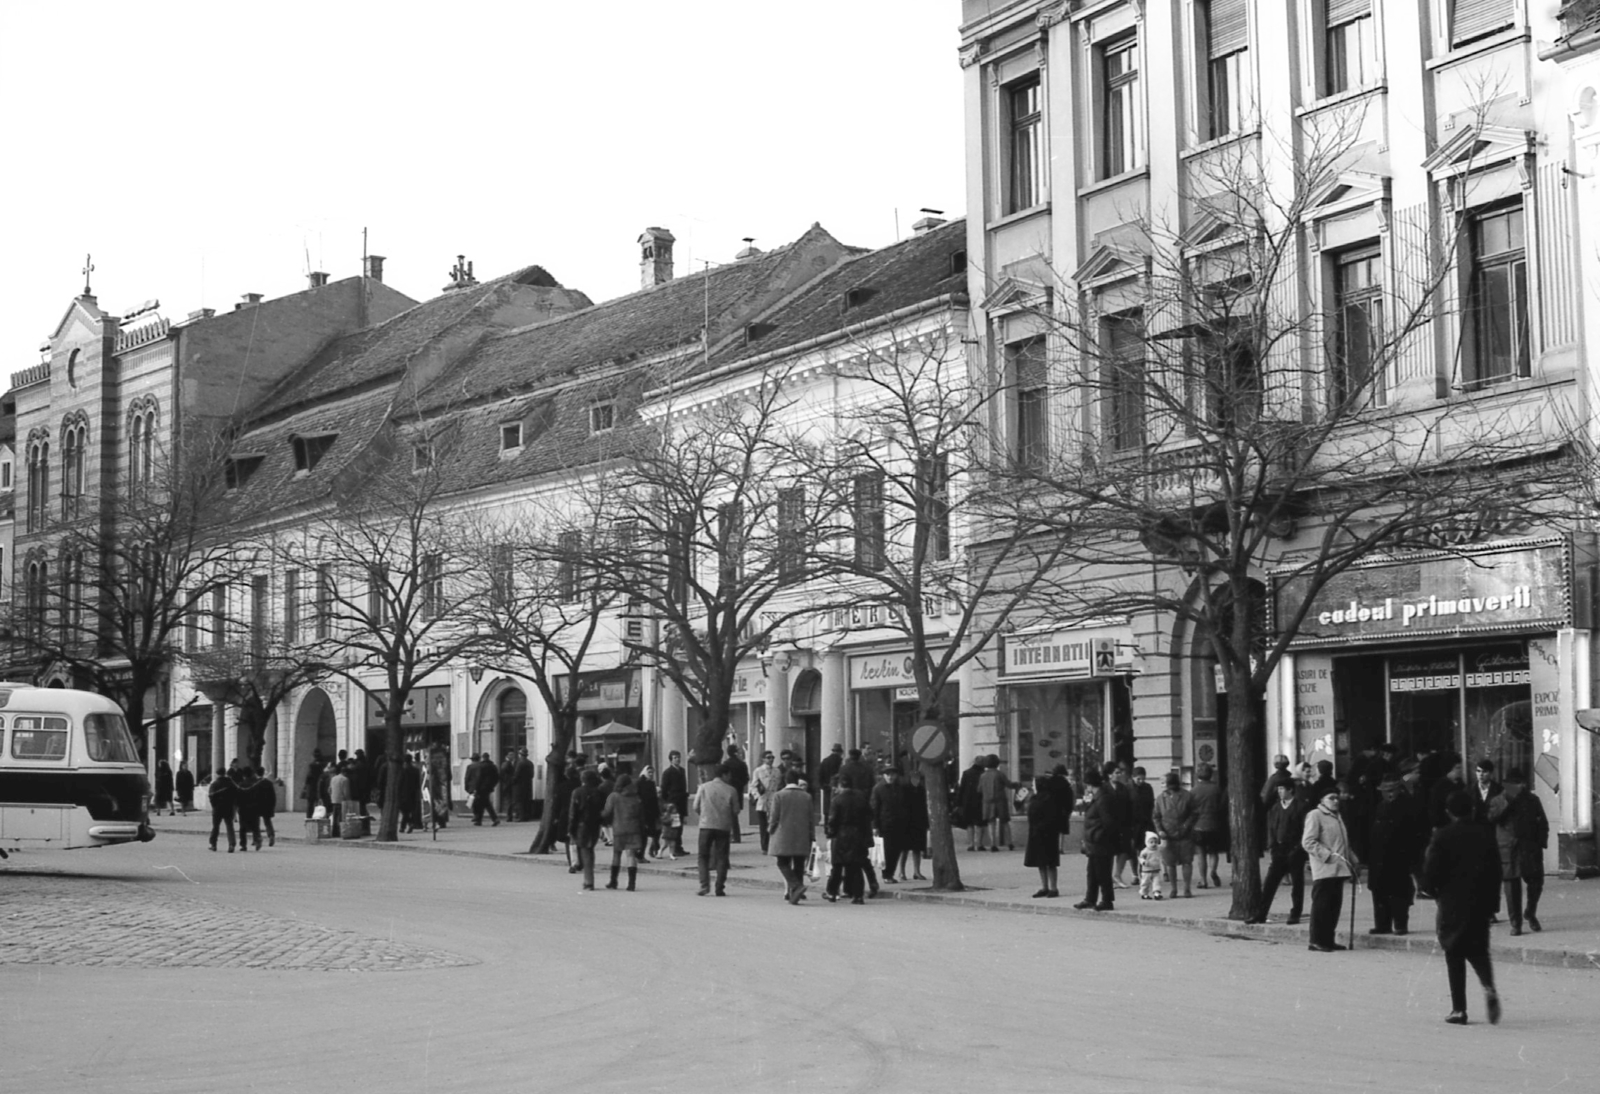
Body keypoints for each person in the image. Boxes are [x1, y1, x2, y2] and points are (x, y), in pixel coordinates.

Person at [1424, 790, 1503, 1025]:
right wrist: (1493, 904)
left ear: (1449, 812)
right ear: (1472, 809)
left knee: (1454, 951)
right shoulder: (1485, 833)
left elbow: (1431, 873)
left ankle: (1459, 1009)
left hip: (1452, 902)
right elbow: (1496, 870)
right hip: (1480, 902)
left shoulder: (1443, 836)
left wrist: (1432, 890)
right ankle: (1488, 987)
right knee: (1479, 949)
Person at [1488, 769, 1548, 936]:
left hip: (1530, 848)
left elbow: (1542, 822)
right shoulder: (1498, 800)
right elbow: (1493, 818)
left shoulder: (1532, 800)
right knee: (1511, 889)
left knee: (1536, 883)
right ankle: (1516, 924)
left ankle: (1530, 912)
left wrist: (1541, 842)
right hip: (1508, 850)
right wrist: (1508, 802)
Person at [1302, 785, 1357, 952]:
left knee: (1334, 906)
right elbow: (1308, 842)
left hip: (1339, 869)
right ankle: (1316, 940)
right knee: (1322, 906)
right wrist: (1327, 855)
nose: (1335, 801)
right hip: (1325, 868)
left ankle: (1328, 939)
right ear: (1322, 800)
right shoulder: (1315, 815)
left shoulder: (1337, 817)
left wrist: (1353, 860)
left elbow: (1343, 843)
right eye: (1331, 798)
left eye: (1337, 798)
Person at [1366, 775, 1420, 935]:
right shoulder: (1379, 806)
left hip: (1399, 857)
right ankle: (1382, 924)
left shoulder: (1407, 806)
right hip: (1379, 858)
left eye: (1392, 791)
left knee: (1399, 893)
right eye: (1385, 791)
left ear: (1398, 790)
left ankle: (1400, 924)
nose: (1389, 794)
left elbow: (1414, 833)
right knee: (1379, 892)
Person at [1249, 780, 1308, 925]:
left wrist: (1299, 848)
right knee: (1270, 883)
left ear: (1290, 790)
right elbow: (1271, 828)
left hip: (1295, 849)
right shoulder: (1275, 808)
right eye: (1278, 789)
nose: (1279, 791)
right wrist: (1272, 846)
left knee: (1297, 884)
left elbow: (1305, 829)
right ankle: (1261, 913)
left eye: (1282, 789)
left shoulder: (1300, 807)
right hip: (1279, 850)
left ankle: (1295, 913)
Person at [825, 774, 875, 904]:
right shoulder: (861, 798)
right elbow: (870, 815)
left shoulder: (837, 800)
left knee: (837, 866)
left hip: (841, 835)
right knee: (856, 866)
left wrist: (830, 833)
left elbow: (832, 819)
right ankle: (858, 895)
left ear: (841, 785)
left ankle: (832, 892)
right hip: (858, 834)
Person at [693, 762, 741, 896]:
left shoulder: (703, 787)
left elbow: (695, 806)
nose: (730, 777)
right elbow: (736, 810)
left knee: (703, 856)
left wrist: (703, 814)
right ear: (725, 775)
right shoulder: (731, 790)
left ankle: (704, 885)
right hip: (723, 827)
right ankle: (719, 887)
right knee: (722, 857)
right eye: (729, 775)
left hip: (705, 825)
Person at [767, 769, 814, 904]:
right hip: (802, 834)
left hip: (783, 835)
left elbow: (774, 817)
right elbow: (811, 818)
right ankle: (795, 894)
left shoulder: (779, 796)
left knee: (782, 862)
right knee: (799, 864)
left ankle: (796, 886)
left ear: (785, 781)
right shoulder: (806, 796)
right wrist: (812, 835)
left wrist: (770, 829)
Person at [1074, 769, 1118, 911]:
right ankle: (1090, 898)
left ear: (1090, 784)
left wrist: (1099, 836)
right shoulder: (1098, 797)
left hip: (1101, 842)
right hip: (1094, 842)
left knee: (1103, 872)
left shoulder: (1103, 798)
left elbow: (1108, 822)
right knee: (1092, 872)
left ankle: (1107, 900)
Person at [1152, 771, 1196, 898]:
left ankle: (1187, 888)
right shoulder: (1160, 798)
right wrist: (1160, 830)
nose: (1162, 785)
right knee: (1170, 863)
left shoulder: (1187, 796)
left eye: (1163, 782)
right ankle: (1173, 888)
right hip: (1168, 835)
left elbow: (1194, 813)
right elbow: (1156, 816)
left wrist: (1186, 826)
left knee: (1187, 861)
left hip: (1185, 834)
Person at [870, 766, 912, 883]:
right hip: (885, 824)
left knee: (896, 850)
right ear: (883, 775)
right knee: (887, 851)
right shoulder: (878, 789)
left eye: (892, 774)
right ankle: (886, 874)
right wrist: (875, 826)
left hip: (899, 823)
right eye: (887, 774)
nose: (890, 777)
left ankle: (890, 873)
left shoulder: (901, 788)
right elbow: (874, 808)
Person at [601, 774, 643, 891]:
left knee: (616, 854)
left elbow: (607, 812)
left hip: (619, 829)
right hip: (633, 828)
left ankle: (613, 881)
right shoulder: (635, 797)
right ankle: (631, 883)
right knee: (631, 855)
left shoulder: (614, 796)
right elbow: (640, 812)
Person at [568, 769, 606, 891]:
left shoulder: (577, 792)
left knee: (585, 851)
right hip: (594, 825)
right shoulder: (598, 792)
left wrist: (570, 828)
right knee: (590, 850)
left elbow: (573, 812)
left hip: (581, 825)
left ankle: (588, 881)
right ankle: (589, 878)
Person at [1190, 762, 1226, 889]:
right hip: (1214, 824)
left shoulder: (1194, 790)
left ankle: (1203, 880)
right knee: (1213, 852)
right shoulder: (1216, 789)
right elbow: (1221, 805)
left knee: (1201, 854)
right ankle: (1213, 871)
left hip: (1199, 825)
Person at [1024, 775, 1060, 898]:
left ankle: (1053, 888)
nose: (1032, 786)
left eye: (1034, 783)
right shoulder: (1034, 798)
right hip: (1036, 832)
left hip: (1047, 833)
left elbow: (1052, 816)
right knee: (1040, 861)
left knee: (1050, 862)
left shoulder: (1050, 798)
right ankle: (1044, 887)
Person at [978, 754, 1012, 852]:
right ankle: (1009, 842)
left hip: (987, 801)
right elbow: (1008, 784)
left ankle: (993, 844)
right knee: (1005, 822)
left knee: (991, 822)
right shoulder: (1000, 774)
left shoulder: (983, 776)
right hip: (1000, 800)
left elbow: (979, 789)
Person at [902, 764, 930, 880]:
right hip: (907, 822)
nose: (917, 781)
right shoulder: (905, 790)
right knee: (904, 849)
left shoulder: (922, 790)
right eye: (915, 779)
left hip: (919, 822)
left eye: (918, 779)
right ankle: (902, 872)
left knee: (917, 848)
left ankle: (917, 871)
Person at [659, 751, 689, 855]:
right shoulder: (668, 772)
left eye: (678, 757)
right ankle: (675, 847)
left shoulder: (682, 771)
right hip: (673, 802)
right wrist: (667, 802)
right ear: (671, 759)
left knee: (680, 825)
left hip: (681, 801)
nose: (677, 759)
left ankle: (679, 847)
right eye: (675, 757)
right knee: (674, 826)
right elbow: (664, 789)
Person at [751, 750, 780, 853]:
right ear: (763, 759)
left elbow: (779, 785)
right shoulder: (758, 771)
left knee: (773, 822)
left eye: (772, 757)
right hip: (763, 800)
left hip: (774, 799)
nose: (771, 759)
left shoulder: (777, 771)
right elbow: (753, 786)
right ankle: (764, 846)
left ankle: (773, 844)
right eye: (768, 757)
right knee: (763, 825)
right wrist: (757, 796)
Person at [958, 755, 988, 851]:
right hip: (980, 801)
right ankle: (979, 844)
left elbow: (961, 788)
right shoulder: (984, 774)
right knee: (980, 823)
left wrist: (959, 802)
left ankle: (971, 844)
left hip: (968, 801)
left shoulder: (966, 773)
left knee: (969, 824)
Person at [207, 766, 239, 852]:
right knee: (229, 826)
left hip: (217, 808)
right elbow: (236, 793)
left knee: (215, 827)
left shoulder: (214, 784)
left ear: (217, 774)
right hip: (228, 807)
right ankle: (231, 844)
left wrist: (214, 805)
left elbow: (211, 796)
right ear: (224, 773)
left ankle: (213, 844)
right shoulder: (230, 783)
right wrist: (233, 804)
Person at [723, 745, 750, 843]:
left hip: (728, 791)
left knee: (729, 814)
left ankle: (732, 835)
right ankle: (735, 835)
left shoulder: (726, 764)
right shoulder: (742, 764)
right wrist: (740, 785)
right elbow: (746, 778)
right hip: (738, 790)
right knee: (735, 814)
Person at [637, 763, 661, 858]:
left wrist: (657, 812)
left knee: (656, 832)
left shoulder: (652, 783)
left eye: (652, 772)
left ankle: (653, 849)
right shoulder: (640, 783)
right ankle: (640, 854)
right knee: (644, 835)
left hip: (652, 812)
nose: (651, 774)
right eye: (649, 772)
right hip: (643, 812)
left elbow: (654, 798)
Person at [252, 766, 278, 848]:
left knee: (255, 823)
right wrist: (272, 806)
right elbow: (273, 796)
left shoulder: (254, 783)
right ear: (263, 773)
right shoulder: (268, 783)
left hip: (256, 805)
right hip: (267, 805)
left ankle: (256, 838)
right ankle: (271, 835)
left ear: (256, 774)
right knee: (267, 822)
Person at [819, 743, 844, 815]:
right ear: (840, 752)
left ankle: (826, 823)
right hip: (838, 789)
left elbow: (820, 776)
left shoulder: (825, 761)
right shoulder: (840, 761)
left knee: (827, 809)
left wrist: (824, 786)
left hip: (827, 788)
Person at [511, 748, 535, 822]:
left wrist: (512, 781)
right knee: (526, 801)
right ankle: (527, 816)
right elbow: (532, 774)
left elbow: (516, 774)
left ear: (520, 755)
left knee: (519, 801)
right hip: (528, 784)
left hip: (519, 785)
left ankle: (521, 816)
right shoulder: (530, 763)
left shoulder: (519, 763)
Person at [1138, 832, 1163, 900]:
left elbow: (1163, 846)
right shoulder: (1145, 851)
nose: (1154, 844)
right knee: (1145, 883)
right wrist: (1143, 862)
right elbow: (1140, 857)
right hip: (1146, 870)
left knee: (1157, 882)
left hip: (1156, 870)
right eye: (1151, 842)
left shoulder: (1158, 849)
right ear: (1147, 842)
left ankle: (1157, 893)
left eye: (1155, 842)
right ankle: (1144, 893)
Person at [303, 749, 327, 819]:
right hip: (321, 786)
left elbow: (308, 777)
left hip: (312, 787)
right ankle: (319, 816)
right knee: (320, 803)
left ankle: (309, 817)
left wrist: (305, 786)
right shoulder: (323, 764)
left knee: (310, 804)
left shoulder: (312, 765)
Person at [498, 751, 516, 818]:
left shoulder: (504, 764)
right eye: (512, 756)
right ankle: (509, 815)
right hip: (508, 784)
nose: (514, 757)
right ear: (509, 756)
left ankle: (509, 815)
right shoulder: (508, 764)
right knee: (509, 800)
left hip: (506, 784)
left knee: (509, 800)